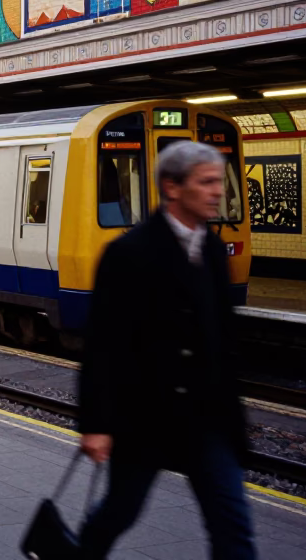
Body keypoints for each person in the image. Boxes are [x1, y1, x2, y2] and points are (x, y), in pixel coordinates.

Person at [79, 141, 253, 559]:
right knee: (118, 513)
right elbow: (102, 344)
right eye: (207, 182)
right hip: (144, 418)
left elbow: (223, 336)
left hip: (207, 420)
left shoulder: (212, 249)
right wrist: (97, 424)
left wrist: (234, 415)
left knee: (234, 528)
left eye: (219, 182)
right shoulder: (127, 252)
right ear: (173, 188)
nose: (217, 192)